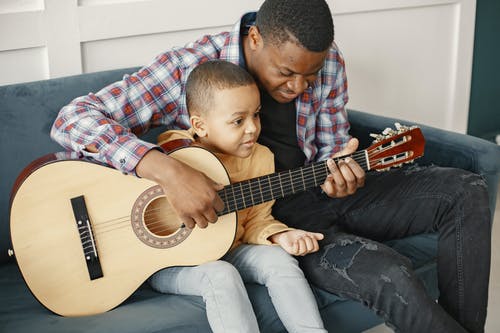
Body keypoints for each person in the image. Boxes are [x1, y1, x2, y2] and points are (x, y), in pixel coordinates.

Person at [50, 0, 492, 332]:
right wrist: (167, 171)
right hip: (270, 223)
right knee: (390, 273)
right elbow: (74, 120)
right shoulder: (191, 68)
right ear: (255, 39)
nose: (299, 87)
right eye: (286, 73)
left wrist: (343, 172)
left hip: (320, 191)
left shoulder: (327, 62)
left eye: (310, 76)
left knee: (467, 190)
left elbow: (331, 150)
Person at [147, 60, 327, 332]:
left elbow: (256, 220)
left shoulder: (261, 159)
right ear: (200, 125)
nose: (253, 128)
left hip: (230, 248)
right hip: (167, 261)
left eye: (256, 115)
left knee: (279, 259)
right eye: (238, 121)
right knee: (221, 275)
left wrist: (280, 235)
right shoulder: (176, 152)